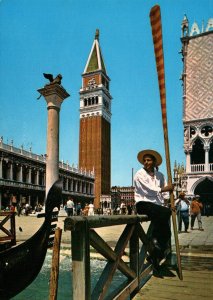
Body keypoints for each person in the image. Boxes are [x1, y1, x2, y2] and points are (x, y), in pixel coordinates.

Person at [134, 149, 173, 269]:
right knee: (165, 214)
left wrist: (169, 200)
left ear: (154, 162)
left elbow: (166, 191)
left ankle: (155, 254)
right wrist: (164, 189)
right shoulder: (139, 174)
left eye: (149, 160)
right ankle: (154, 241)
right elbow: (148, 189)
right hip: (143, 203)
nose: (146, 162)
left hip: (157, 205)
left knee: (167, 229)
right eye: (144, 160)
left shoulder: (160, 175)